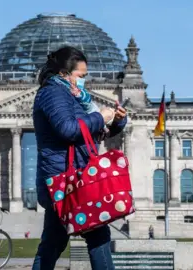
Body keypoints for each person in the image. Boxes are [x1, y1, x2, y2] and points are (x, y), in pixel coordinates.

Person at [32, 46, 128, 270]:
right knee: (96, 237)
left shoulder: (73, 96)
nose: (84, 80)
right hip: (65, 180)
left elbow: (89, 134)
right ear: (64, 74)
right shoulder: (52, 93)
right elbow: (68, 129)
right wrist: (98, 116)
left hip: (72, 179)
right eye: (81, 75)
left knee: (53, 245)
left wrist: (115, 121)